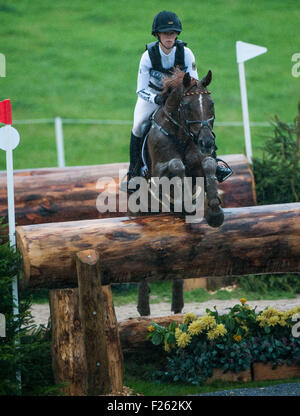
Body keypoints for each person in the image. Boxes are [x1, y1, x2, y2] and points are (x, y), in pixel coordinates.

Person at [124, 10, 232, 192]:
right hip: (153, 95)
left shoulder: (186, 53)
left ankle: (215, 162)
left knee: (200, 119)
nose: (169, 37)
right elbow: (140, 89)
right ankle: (134, 172)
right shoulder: (148, 56)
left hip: (179, 96)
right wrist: (156, 98)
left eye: (173, 33)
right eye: (166, 34)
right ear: (157, 35)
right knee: (138, 125)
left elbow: (194, 84)